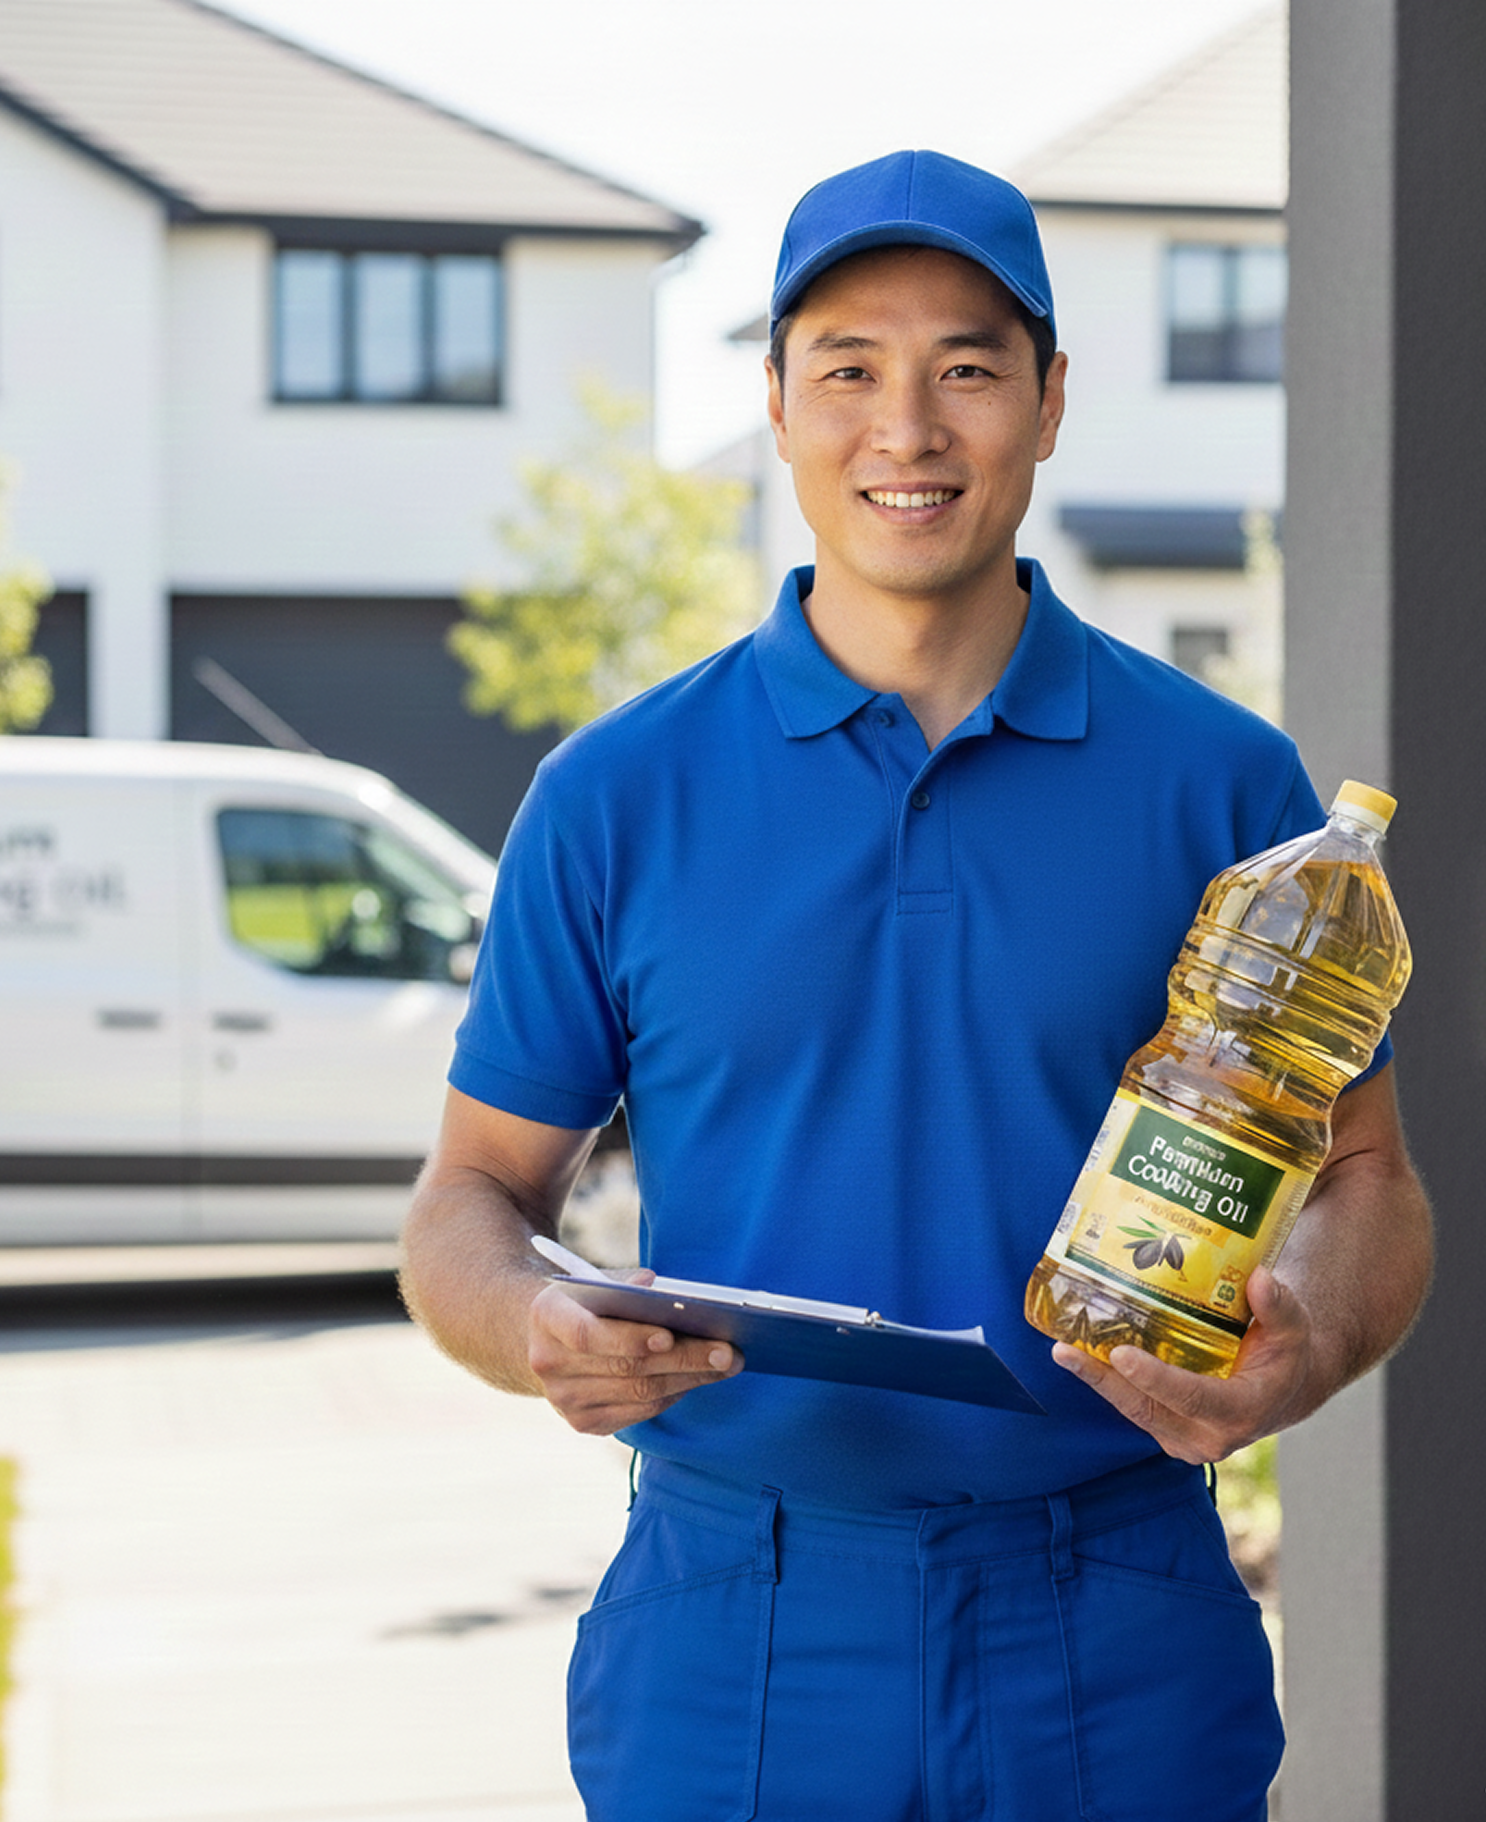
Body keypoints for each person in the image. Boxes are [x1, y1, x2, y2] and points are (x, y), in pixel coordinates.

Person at [401, 149, 1432, 1822]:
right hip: (739, 1620)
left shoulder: (1228, 787)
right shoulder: (616, 795)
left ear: (1048, 402)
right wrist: (531, 1323)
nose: (909, 427)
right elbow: (471, 1193)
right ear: (780, 405)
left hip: (1115, 1609)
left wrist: (1299, 1338)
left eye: (966, 367)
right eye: (850, 371)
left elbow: (1370, 1176)